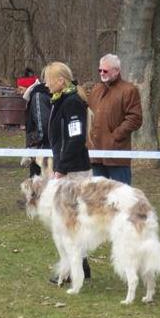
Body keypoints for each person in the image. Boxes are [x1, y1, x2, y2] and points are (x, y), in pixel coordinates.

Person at [42, 61, 92, 282]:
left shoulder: (72, 103)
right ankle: (81, 266)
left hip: (74, 171)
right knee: (71, 221)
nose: (46, 84)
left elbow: (75, 138)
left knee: (68, 222)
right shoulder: (60, 101)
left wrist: (61, 168)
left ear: (61, 81)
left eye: (48, 80)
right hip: (66, 167)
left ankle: (72, 270)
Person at [87, 54, 143, 185]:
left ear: (116, 71)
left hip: (117, 154)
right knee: (97, 194)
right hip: (95, 153)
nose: (102, 73)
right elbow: (89, 114)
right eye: (100, 70)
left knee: (121, 193)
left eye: (105, 70)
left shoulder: (129, 90)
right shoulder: (96, 90)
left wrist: (115, 136)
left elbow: (135, 118)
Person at [22, 75, 51, 177]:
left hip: (43, 151)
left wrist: (31, 144)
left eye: (21, 89)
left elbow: (43, 128)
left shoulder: (38, 96)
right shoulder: (36, 97)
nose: (19, 92)